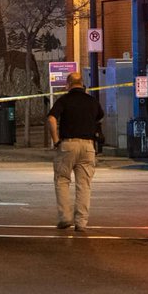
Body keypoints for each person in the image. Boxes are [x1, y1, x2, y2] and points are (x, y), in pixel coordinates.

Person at [46, 72, 105, 231]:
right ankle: (81, 222)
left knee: (62, 180)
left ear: (68, 85)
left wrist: (55, 139)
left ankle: (65, 217)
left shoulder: (64, 100)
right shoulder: (92, 101)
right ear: (82, 84)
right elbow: (100, 117)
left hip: (68, 145)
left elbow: (51, 118)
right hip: (88, 147)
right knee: (84, 185)